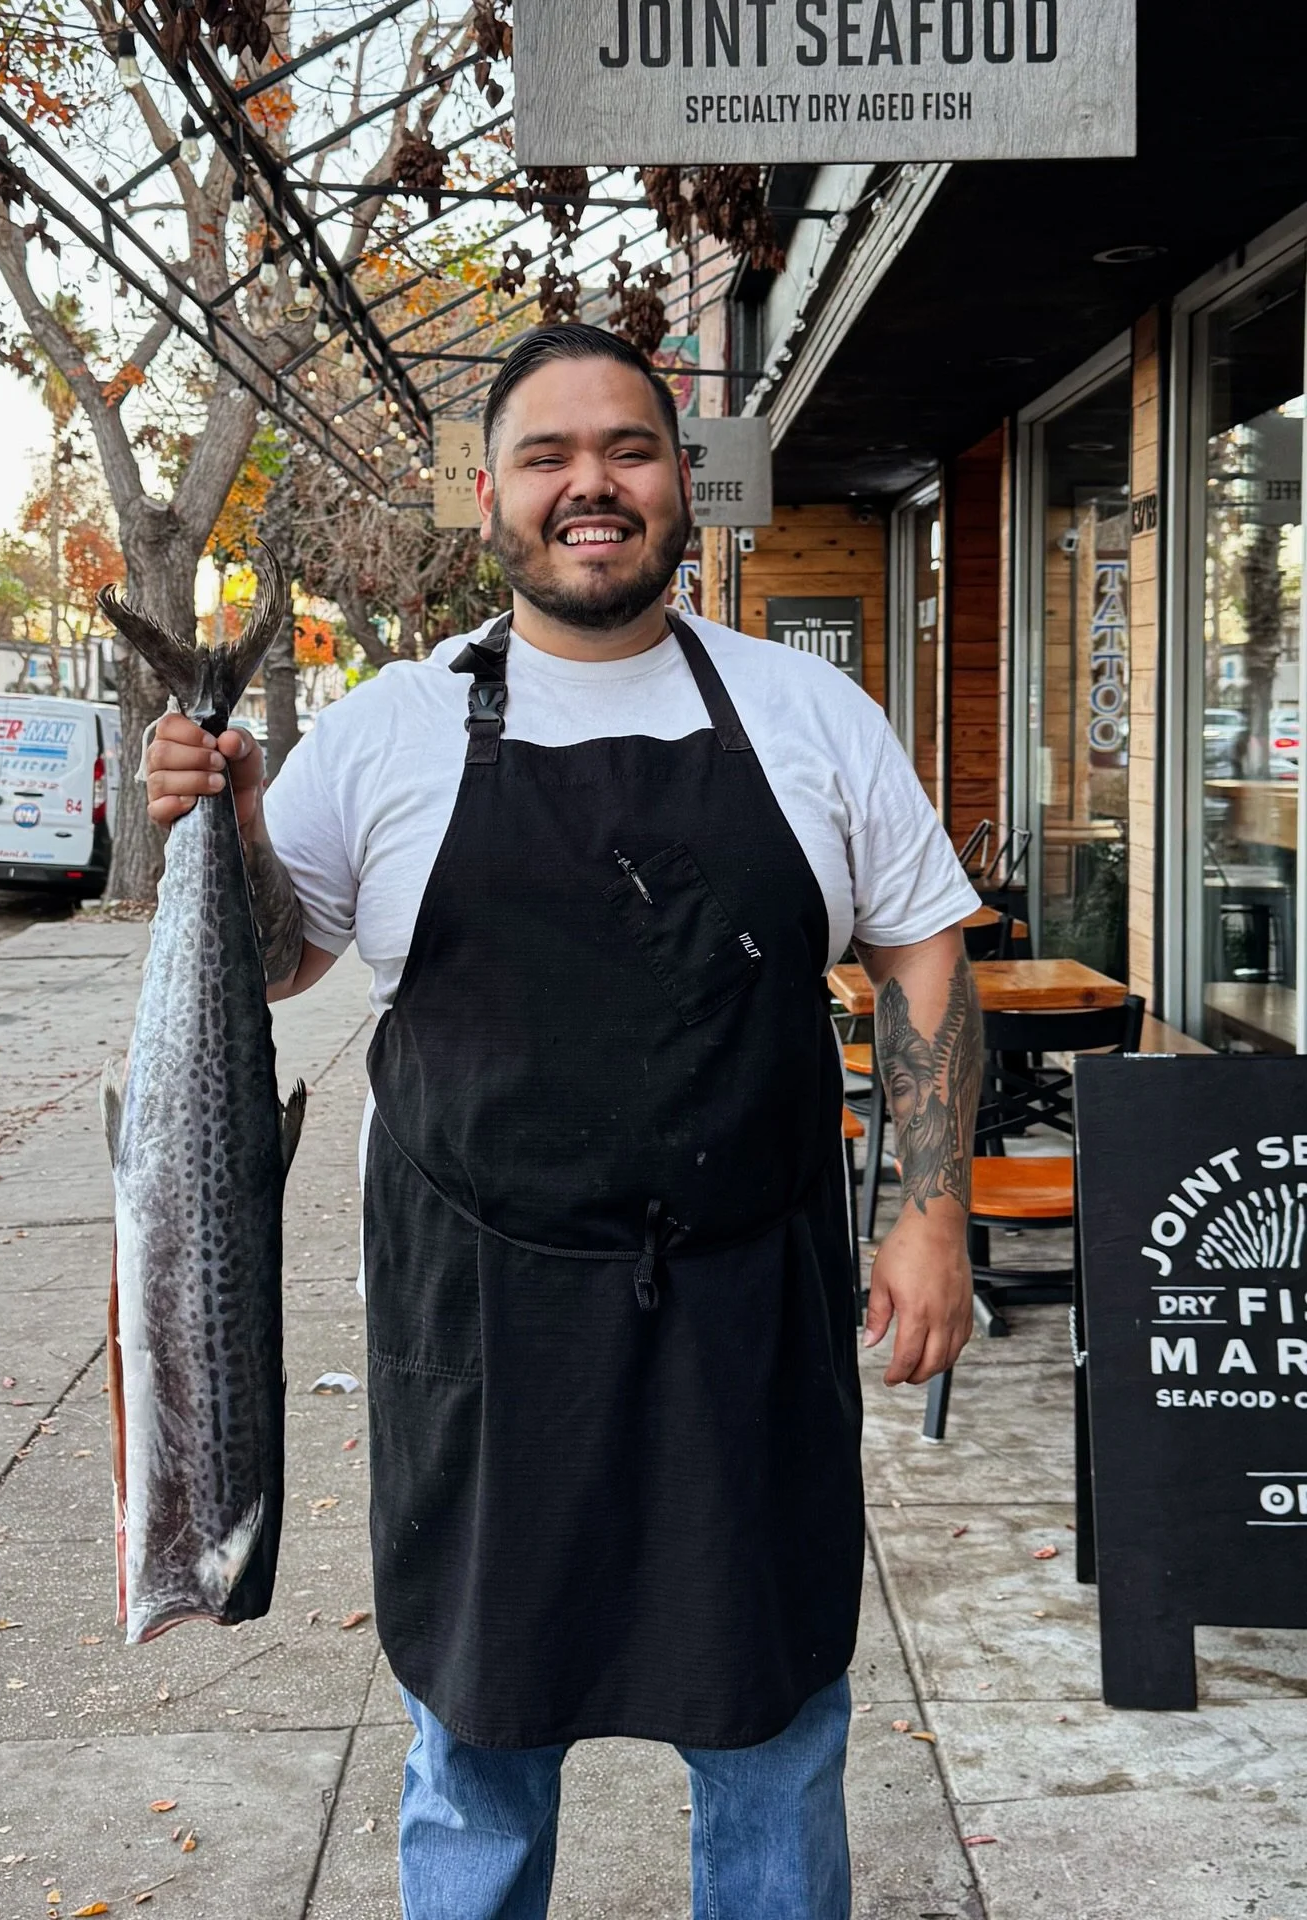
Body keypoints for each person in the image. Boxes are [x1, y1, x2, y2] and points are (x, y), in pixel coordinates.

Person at [146, 322, 982, 1920]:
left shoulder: (808, 711)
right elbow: (275, 961)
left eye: (628, 450)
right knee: (478, 1737)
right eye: (548, 456)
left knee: (773, 1723)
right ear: (491, 497)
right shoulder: (391, 725)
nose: (590, 484)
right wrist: (227, 823)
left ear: (682, 484)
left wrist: (931, 1209)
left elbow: (924, 943)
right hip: (479, 1321)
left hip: (750, 1313)